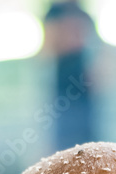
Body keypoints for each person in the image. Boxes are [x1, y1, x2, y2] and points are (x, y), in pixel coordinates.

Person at [42, 1, 98, 151]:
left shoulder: (82, 13)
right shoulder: (54, 13)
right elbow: (48, 48)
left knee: (90, 142)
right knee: (64, 144)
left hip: (86, 92)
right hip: (61, 93)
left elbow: (92, 44)